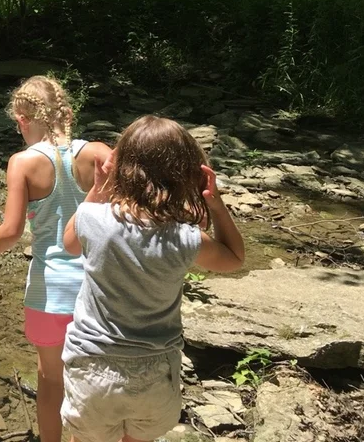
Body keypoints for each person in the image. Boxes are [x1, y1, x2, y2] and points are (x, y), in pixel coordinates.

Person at [61, 115, 245, 442]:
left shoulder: (93, 218)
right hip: (155, 373)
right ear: (187, 174)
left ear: (121, 166)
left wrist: (99, 188)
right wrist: (214, 204)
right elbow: (234, 258)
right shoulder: (186, 239)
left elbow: (69, 243)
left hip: (93, 365)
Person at [0, 76, 111, 442]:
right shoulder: (99, 153)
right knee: (96, 380)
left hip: (50, 292)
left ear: (23, 118)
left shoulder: (22, 163)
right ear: (68, 113)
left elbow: (12, 230)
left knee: (50, 380)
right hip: (100, 289)